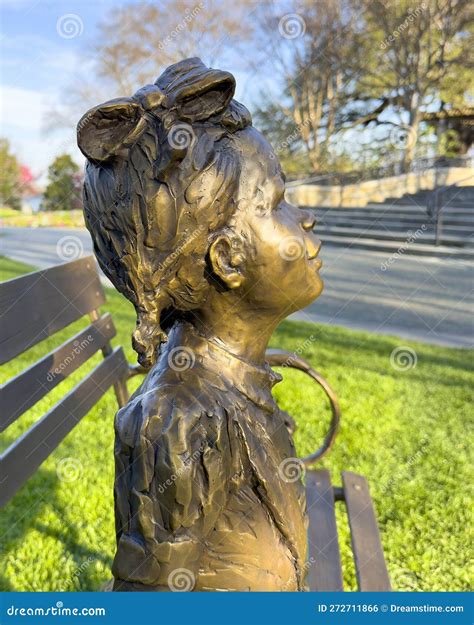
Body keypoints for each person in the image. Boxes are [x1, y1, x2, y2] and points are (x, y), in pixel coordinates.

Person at [77, 58, 323, 591]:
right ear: (228, 260)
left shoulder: (233, 383)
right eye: (278, 203)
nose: (306, 218)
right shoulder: (176, 423)